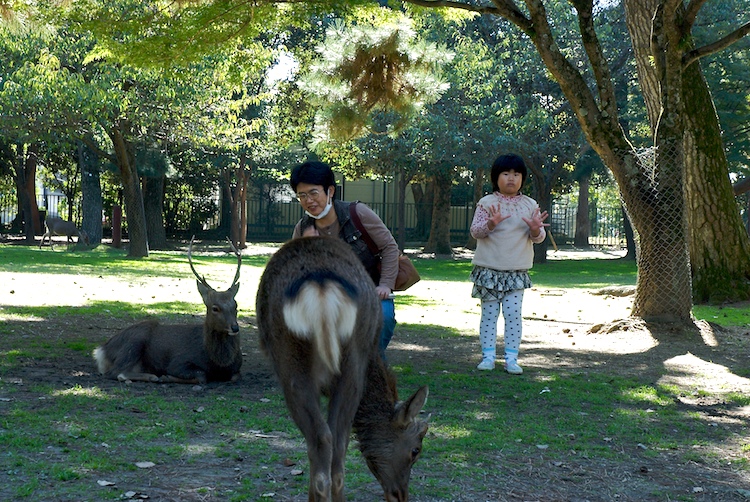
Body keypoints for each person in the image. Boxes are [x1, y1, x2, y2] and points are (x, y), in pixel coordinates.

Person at [289, 161, 400, 360]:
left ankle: (373, 368)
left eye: (313, 193)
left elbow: (389, 247)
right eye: (302, 195)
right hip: (328, 297)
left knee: (382, 318)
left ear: (330, 191)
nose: (308, 201)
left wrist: (385, 285)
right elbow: (294, 272)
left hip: (370, 290)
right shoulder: (302, 228)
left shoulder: (358, 214)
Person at [469, 154, 549, 374]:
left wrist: (535, 228)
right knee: (489, 314)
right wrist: (491, 224)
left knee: (513, 314)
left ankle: (511, 359)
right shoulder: (486, 203)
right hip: (489, 270)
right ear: (496, 178)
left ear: (522, 178)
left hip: (516, 270)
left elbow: (539, 237)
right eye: (506, 173)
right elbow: (476, 232)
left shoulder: (530, 205)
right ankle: (488, 356)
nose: (511, 178)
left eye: (516, 174)